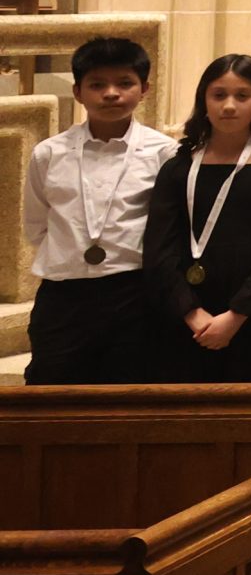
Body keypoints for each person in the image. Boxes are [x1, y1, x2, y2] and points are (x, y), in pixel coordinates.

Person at [21, 36, 177, 385]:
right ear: (78, 92)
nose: (111, 93)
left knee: (127, 393)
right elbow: (37, 224)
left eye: (124, 83)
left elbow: (171, 227)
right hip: (64, 294)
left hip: (134, 291)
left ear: (144, 89)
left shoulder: (164, 153)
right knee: (50, 389)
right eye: (97, 84)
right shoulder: (49, 153)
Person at [144, 55, 251, 383]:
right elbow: (159, 249)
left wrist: (236, 316)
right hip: (185, 317)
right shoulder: (178, 167)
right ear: (204, 100)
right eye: (218, 95)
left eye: (242, 96)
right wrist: (191, 313)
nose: (229, 106)